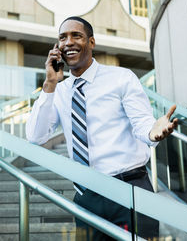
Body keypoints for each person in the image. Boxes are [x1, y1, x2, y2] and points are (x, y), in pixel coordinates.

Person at [26, 16, 178, 241]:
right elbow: (35, 137)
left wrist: (153, 132)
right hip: (86, 195)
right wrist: (49, 84)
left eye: (76, 35)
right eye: (62, 38)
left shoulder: (120, 78)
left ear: (91, 42)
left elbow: (143, 123)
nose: (68, 42)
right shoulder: (59, 90)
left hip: (129, 189)